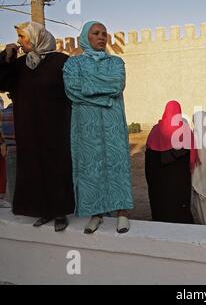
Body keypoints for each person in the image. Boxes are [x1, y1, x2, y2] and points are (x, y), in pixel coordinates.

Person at [0, 22, 74, 231]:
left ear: (36, 37)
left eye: (23, 37)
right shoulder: (19, 65)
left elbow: (73, 90)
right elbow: (1, 82)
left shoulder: (60, 61)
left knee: (57, 167)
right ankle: (42, 211)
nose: (20, 42)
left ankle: (60, 212)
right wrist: (5, 59)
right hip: (28, 128)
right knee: (33, 168)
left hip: (56, 126)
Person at [63, 21, 134, 234]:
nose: (102, 37)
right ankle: (97, 213)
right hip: (86, 126)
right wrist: (103, 97)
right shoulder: (72, 65)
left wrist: (89, 86)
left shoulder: (116, 62)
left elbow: (116, 84)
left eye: (104, 33)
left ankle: (122, 213)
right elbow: (72, 90)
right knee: (91, 166)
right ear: (86, 36)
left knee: (117, 163)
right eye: (96, 33)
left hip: (113, 124)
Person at [145, 100, 198, 224]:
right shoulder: (185, 131)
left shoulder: (155, 131)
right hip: (179, 185)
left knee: (161, 207)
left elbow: (149, 161)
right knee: (179, 209)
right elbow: (192, 156)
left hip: (159, 185)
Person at [0, 94, 16, 207]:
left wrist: (3, 143)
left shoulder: (3, 113)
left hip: (9, 150)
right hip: (24, 149)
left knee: (12, 177)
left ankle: (14, 201)